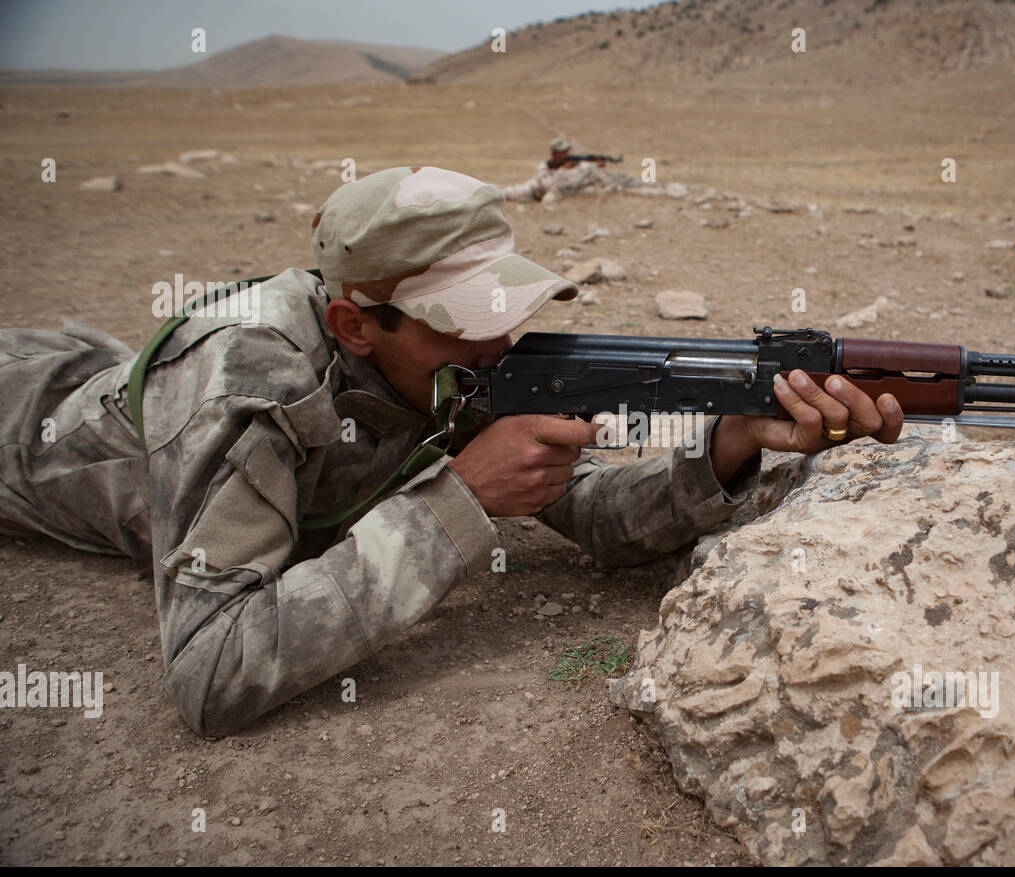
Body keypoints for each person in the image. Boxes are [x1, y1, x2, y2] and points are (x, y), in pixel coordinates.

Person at [0, 165, 904, 736]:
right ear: (356, 323)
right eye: (465, 325)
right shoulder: (246, 388)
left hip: (80, 366)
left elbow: (590, 510)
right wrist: (457, 502)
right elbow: (214, 669)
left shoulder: (454, 367)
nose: (499, 346)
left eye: (505, 311)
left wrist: (730, 442)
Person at [499, 137, 627, 203]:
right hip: (534, 190)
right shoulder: (544, 166)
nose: (565, 155)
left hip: (550, 194)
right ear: (554, 153)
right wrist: (563, 171)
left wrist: (596, 165)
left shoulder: (572, 164)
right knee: (506, 193)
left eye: (566, 152)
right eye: (562, 152)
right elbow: (546, 184)